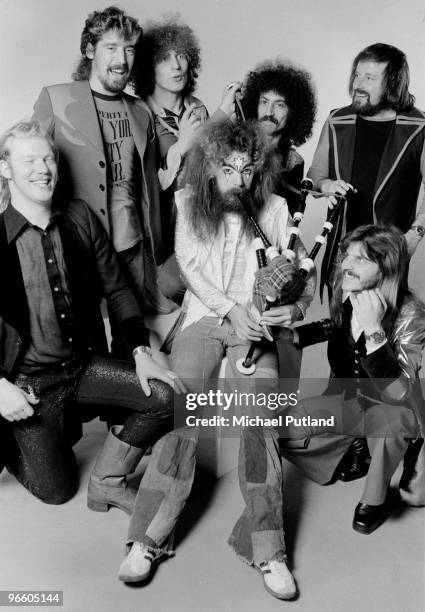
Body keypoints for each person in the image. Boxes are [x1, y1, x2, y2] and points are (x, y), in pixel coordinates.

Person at [116, 120, 315, 600]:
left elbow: (301, 274)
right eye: (228, 169)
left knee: (258, 418)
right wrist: (232, 310)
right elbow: (190, 266)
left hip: (257, 326)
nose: (239, 180)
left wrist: (294, 307)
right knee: (179, 411)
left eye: (248, 170)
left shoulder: (277, 208)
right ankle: (146, 539)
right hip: (206, 317)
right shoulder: (187, 203)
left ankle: (268, 549)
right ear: (210, 168)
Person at [0, 120, 185, 511]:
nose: (43, 168)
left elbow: (118, 289)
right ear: (5, 168)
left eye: (48, 158)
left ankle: (107, 480)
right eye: (29, 159)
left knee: (167, 397)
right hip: (30, 383)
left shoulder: (80, 217)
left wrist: (140, 353)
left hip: (83, 366)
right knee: (57, 490)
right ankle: (8, 441)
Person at [32, 6, 176, 355]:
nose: (122, 58)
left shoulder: (142, 110)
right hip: (77, 246)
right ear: (89, 50)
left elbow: (175, 160)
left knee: (133, 344)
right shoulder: (56, 98)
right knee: (84, 343)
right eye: (111, 47)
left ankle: (124, 409)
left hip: (132, 247)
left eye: (128, 49)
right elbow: (27, 161)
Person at [273, 225, 425, 534]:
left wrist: (375, 333)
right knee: (278, 429)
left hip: (392, 410)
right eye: (347, 256)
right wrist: (295, 334)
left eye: (360, 259)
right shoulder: (350, 290)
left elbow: (400, 393)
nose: (346, 265)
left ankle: (376, 497)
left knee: (391, 425)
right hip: (351, 402)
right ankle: (355, 449)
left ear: (387, 267)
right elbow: (336, 326)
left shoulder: (412, 316)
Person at [134, 15, 239, 302]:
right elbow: (148, 184)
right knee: (170, 289)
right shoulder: (138, 113)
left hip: (203, 223)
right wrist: (181, 145)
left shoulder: (196, 107)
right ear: (148, 66)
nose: (177, 65)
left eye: (181, 55)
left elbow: (208, 159)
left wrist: (222, 114)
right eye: (165, 58)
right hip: (163, 232)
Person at [308, 43, 425, 298]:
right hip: (343, 256)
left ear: (393, 84)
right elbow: (316, 175)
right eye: (357, 75)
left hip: (386, 257)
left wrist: (414, 236)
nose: (358, 84)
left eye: (369, 78)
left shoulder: (418, 126)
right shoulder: (337, 120)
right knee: (340, 335)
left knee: (379, 333)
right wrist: (327, 186)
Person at [242, 59, 316, 216]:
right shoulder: (235, 148)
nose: (269, 112)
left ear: (293, 112)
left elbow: (290, 217)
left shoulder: (293, 162)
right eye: (264, 102)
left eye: (279, 105)